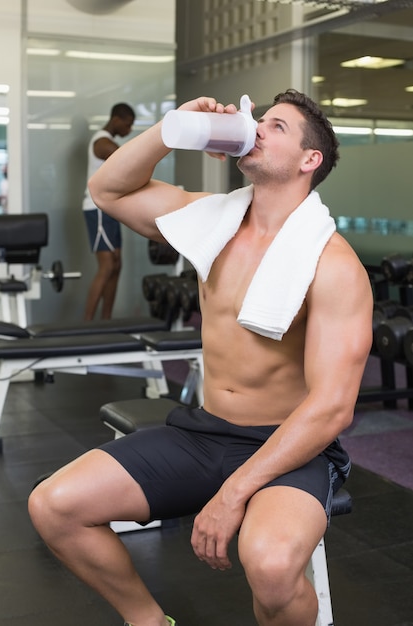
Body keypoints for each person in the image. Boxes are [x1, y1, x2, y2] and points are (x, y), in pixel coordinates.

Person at [29, 89, 373, 626]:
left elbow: (331, 409)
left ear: (311, 160)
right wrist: (172, 127)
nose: (255, 127)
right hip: (201, 431)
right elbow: (108, 189)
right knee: (55, 505)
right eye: (258, 119)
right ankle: (149, 622)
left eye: (276, 126)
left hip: (286, 447)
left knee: (272, 565)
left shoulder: (333, 265)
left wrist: (233, 494)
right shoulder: (209, 219)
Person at [82, 102, 135, 320]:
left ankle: (106, 322)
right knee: (107, 265)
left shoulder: (108, 141)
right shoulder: (101, 142)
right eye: (128, 125)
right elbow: (128, 159)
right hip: (97, 209)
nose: (129, 130)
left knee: (116, 264)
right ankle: (86, 325)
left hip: (109, 210)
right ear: (115, 120)